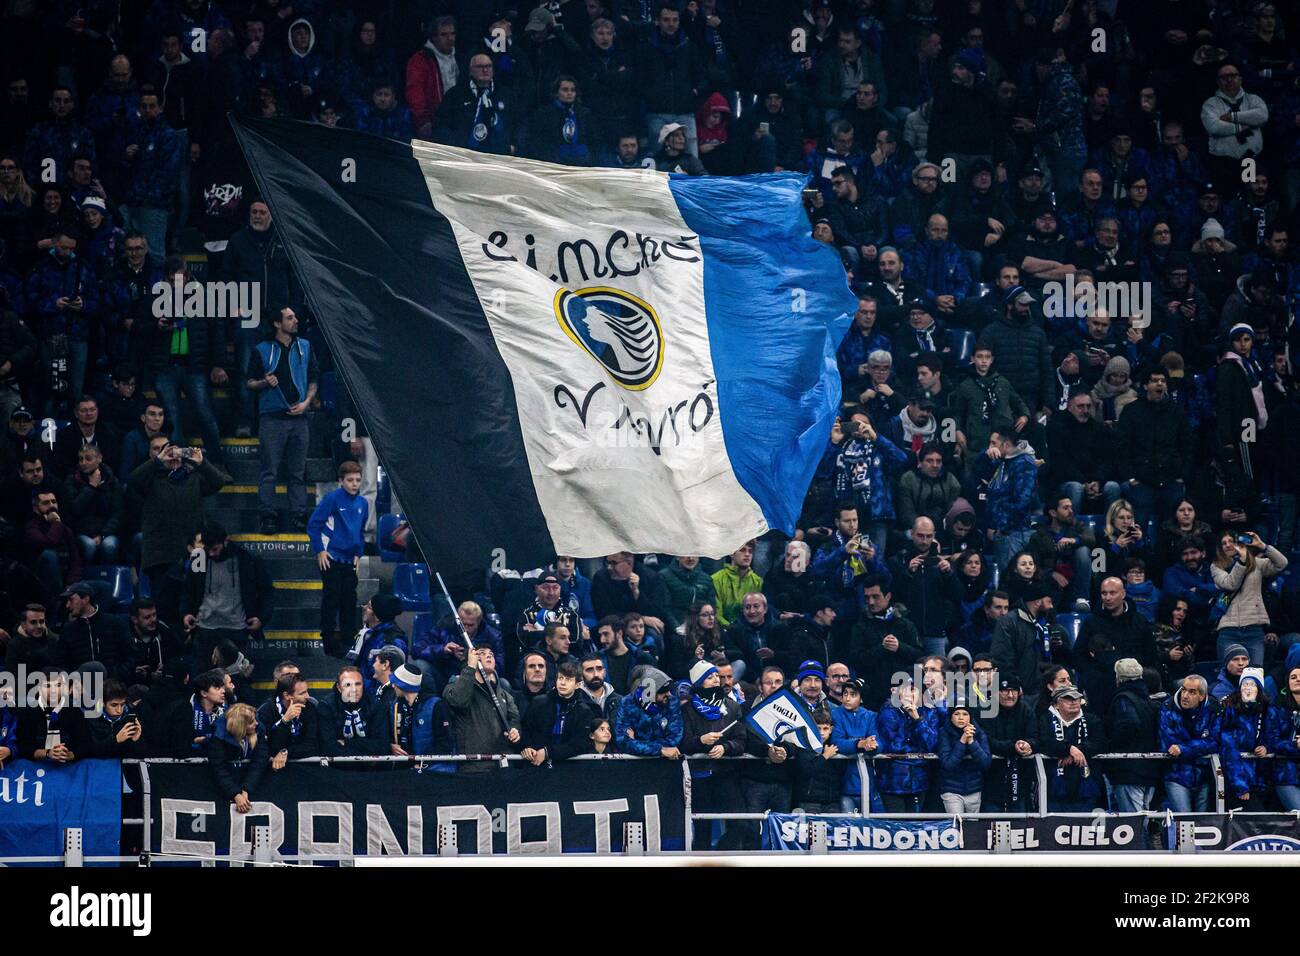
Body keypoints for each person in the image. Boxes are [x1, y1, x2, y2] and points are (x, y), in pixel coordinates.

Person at [246, 305, 317, 534]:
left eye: (294, 316)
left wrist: (306, 403)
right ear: (277, 323)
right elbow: (250, 383)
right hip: (272, 419)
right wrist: (265, 382)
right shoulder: (262, 349)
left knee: (298, 471)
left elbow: (314, 378)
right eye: (290, 317)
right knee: (270, 471)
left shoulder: (305, 347)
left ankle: (299, 515)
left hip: (299, 418)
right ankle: (268, 515)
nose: (295, 320)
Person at [130, 438, 225, 596]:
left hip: (195, 551)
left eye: (173, 451)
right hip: (160, 553)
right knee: (163, 601)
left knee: (196, 598)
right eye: (162, 451)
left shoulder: (194, 477)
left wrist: (202, 462)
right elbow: (133, 480)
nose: (171, 456)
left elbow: (218, 482)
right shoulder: (151, 479)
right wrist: (158, 461)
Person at [181, 521, 273, 667]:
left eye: (215, 549)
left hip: (236, 628)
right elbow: (188, 589)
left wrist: (261, 618)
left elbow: (266, 590)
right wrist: (186, 613)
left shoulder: (246, 559)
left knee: (236, 680)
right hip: (205, 628)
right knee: (204, 680)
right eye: (208, 548)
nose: (211, 553)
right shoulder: (199, 559)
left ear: (226, 541)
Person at [680, 659, 745, 849]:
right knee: (702, 828)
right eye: (709, 677)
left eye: (716, 675)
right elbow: (682, 743)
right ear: (699, 683)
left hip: (726, 774)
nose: (716, 679)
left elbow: (742, 740)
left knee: (739, 822)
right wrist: (701, 741)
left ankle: (723, 854)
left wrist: (726, 747)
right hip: (699, 777)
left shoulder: (732, 707)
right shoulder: (688, 709)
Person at [307, 461, 368, 655]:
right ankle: (328, 639)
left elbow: (360, 531)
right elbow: (313, 525)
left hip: (350, 559)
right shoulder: (332, 499)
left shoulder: (363, 503)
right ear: (341, 481)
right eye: (350, 480)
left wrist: (359, 554)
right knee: (331, 598)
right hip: (331, 556)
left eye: (358, 480)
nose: (354, 484)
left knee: (349, 600)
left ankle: (348, 640)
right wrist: (320, 550)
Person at [1210, 530, 1287, 666]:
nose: (1228, 545)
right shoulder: (1216, 566)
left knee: (1255, 674)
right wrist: (1242, 562)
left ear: (1239, 543)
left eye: (1231, 541)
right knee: (1228, 676)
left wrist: (1262, 546)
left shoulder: (1257, 564)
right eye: (1224, 543)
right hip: (1228, 630)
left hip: (1254, 630)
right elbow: (1230, 584)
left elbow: (1282, 563)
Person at [851, 575, 923, 710]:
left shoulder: (906, 624)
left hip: (904, 694)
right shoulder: (860, 627)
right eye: (867, 598)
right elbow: (856, 660)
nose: (870, 602)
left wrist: (900, 647)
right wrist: (881, 648)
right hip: (873, 696)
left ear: (888, 596)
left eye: (875, 597)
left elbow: (919, 655)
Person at [443, 646, 521, 763]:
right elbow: (459, 701)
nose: (489, 655)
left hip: (502, 764)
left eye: (491, 654)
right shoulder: (454, 686)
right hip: (473, 765)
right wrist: (470, 668)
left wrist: (515, 731)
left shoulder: (505, 695)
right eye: (482, 654)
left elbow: (514, 719)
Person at [1036, 684, 1107, 811]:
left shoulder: (1091, 720)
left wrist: (1077, 751)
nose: (1074, 702)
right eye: (1068, 699)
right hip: (1054, 789)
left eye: (1077, 698)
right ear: (1057, 704)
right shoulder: (1045, 720)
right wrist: (1068, 749)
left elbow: (1100, 743)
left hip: (1085, 787)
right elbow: (1044, 742)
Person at [1103, 658, 1161, 812]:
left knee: (1133, 823)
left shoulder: (1124, 699)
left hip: (1129, 770)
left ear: (1118, 677)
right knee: (1143, 818)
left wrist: (1110, 745)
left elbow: (1129, 724)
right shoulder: (1147, 700)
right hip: (1149, 769)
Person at [1158, 674, 1220, 812]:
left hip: (1203, 776)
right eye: (1184, 689)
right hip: (1176, 775)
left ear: (1202, 696)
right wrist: (1198, 746)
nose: (1185, 695)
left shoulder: (1213, 710)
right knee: (1183, 821)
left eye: (1192, 692)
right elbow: (1169, 744)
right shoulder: (1168, 708)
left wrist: (1184, 748)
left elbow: (1214, 742)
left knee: (1202, 825)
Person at [876, 679, 941, 813]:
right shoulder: (888, 711)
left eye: (912, 689)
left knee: (915, 827)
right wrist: (917, 751)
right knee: (896, 828)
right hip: (891, 782)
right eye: (904, 688)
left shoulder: (929, 712)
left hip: (919, 781)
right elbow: (892, 746)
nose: (907, 693)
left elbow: (931, 745)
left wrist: (917, 719)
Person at [521, 660, 598, 766]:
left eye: (568, 679)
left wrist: (548, 752)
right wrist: (527, 747)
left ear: (578, 685)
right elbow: (525, 728)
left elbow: (578, 745)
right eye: (560, 678)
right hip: (535, 764)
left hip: (567, 769)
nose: (562, 683)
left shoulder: (584, 711)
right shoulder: (538, 702)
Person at [1219, 668, 1274, 809]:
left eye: (1252, 685)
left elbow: (1273, 736)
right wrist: (1240, 785)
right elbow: (1228, 747)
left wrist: (1266, 747)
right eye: (1245, 684)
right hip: (1236, 781)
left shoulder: (1267, 710)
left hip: (1260, 780)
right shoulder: (1229, 710)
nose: (1248, 689)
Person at [1077, 577, 1158, 669]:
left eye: (1112, 593)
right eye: (1104, 593)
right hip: (1101, 678)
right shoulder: (1091, 621)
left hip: (1134, 677)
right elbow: (1079, 655)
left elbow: (1151, 655)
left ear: (1123, 594)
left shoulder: (1139, 621)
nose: (1107, 598)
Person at [380, 663, 455, 758]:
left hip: (433, 768)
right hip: (405, 766)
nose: (393, 686)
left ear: (405, 685)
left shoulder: (436, 706)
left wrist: (421, 762)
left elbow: (445, 743)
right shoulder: (394, 706)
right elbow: (385, 735)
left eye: (396, 683)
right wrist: (390, 746)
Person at [56, 582, 130, 678]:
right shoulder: (67, 630)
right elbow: (61, 662)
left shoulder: (114, 623)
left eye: (71, 600)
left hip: (112, 686)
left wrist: (117, 676)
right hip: (80, 688)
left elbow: (130, 655)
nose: (67, 605)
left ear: (86, 599)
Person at [207, 702, 269, 815]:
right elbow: (218, 768)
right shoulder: (218, 737)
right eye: (251, 722)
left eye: (255, 719)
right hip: (223, 789)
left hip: (247, 785)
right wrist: (235, 794)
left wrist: (246, 789)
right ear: (240, 726)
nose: (256, 723)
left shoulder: (259, 731)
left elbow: (259, 762)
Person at [315, 665, 386, 756]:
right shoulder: (326, 706)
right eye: (347, 685)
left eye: (358, 684)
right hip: (337, 767)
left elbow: (382, 746)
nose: (354, 690)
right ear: (339, 687)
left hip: (371, 767)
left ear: (363, 685)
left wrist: (347, 742)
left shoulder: (375, 704)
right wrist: (366, 748)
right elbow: (328, 748)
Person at [936, 699, 992, 814]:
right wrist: (962, 741)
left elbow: (985, 763)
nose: (961, 718)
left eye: (965, 714)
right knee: (956, 826)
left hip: (974, 789)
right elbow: (948, 764)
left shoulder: (979, 733)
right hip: (951, 790)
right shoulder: (944, 733)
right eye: (956, 714)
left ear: (970, 717)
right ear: (951, 717)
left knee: (973, 829)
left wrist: (971, 741)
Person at [256, 670, 320, 763]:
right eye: (302, 693)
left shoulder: (309, 707)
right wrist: (285, 721)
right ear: (287, 695)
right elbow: (269, 748)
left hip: (305, 763)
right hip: (273, 765)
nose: (307, 696)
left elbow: (311, 746)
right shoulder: (266, 711)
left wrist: (286, 752)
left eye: (307, 691)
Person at [711, 540, 762, 629]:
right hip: (724, 631)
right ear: (731, 553)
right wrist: (732, 628)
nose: (747, 554)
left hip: (749, 631)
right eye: (742, 550)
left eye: (750, 551)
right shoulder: (716, 579)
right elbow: (716, 613)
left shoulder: (757, 581)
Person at [660, 555, 716, 627]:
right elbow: (665, 609)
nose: (691, 558)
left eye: (694, 554)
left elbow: (711, 607)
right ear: (677, 556)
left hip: (701, 627)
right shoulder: (664, 576)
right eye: (686, 554)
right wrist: (677, 628)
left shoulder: (707, 579)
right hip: (676, 627)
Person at [578, 651, 621, 719]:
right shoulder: (575, 701)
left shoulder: (618, 700)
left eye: (599, 669)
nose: (596, 674)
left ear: (604, 672)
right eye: (589, 670)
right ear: (581, 675)